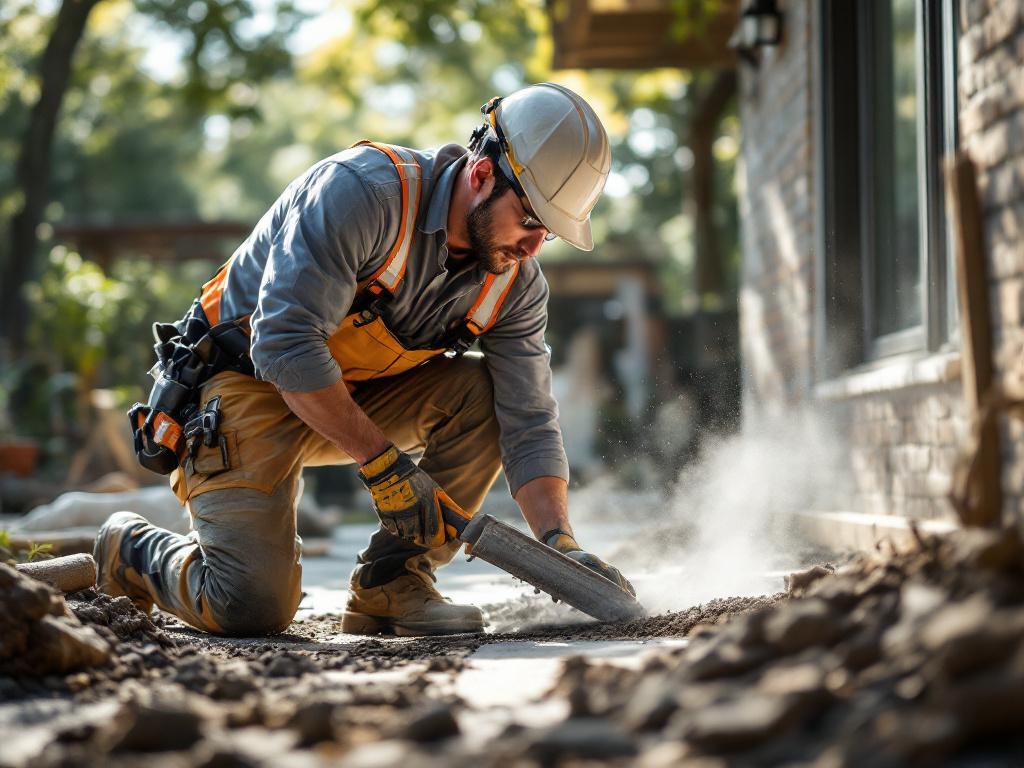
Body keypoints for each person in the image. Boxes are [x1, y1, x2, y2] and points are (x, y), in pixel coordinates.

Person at [94, 82, 634, 637]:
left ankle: (390, 582)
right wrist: (382, 463)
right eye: (528, 221)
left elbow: (528, 417)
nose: (533, 248)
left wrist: (558, 542)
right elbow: (284, 343)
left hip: (346, 397)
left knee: (485, 392)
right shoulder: (362, 195)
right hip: (240, 387)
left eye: (548, 233)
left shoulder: (515, 283)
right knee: (249, 606)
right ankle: (130, 547)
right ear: (481, 175)